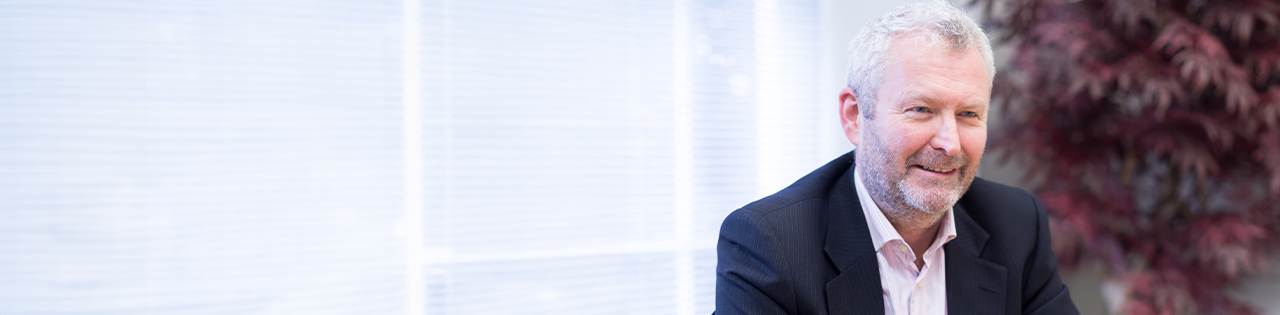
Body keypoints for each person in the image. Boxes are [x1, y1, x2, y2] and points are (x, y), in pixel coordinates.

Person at [714, 2, 1078, 314]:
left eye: (969, 114)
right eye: (921, 109)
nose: (950, 144)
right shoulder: (770, 244)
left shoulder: (1016, 224)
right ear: (855, 116)